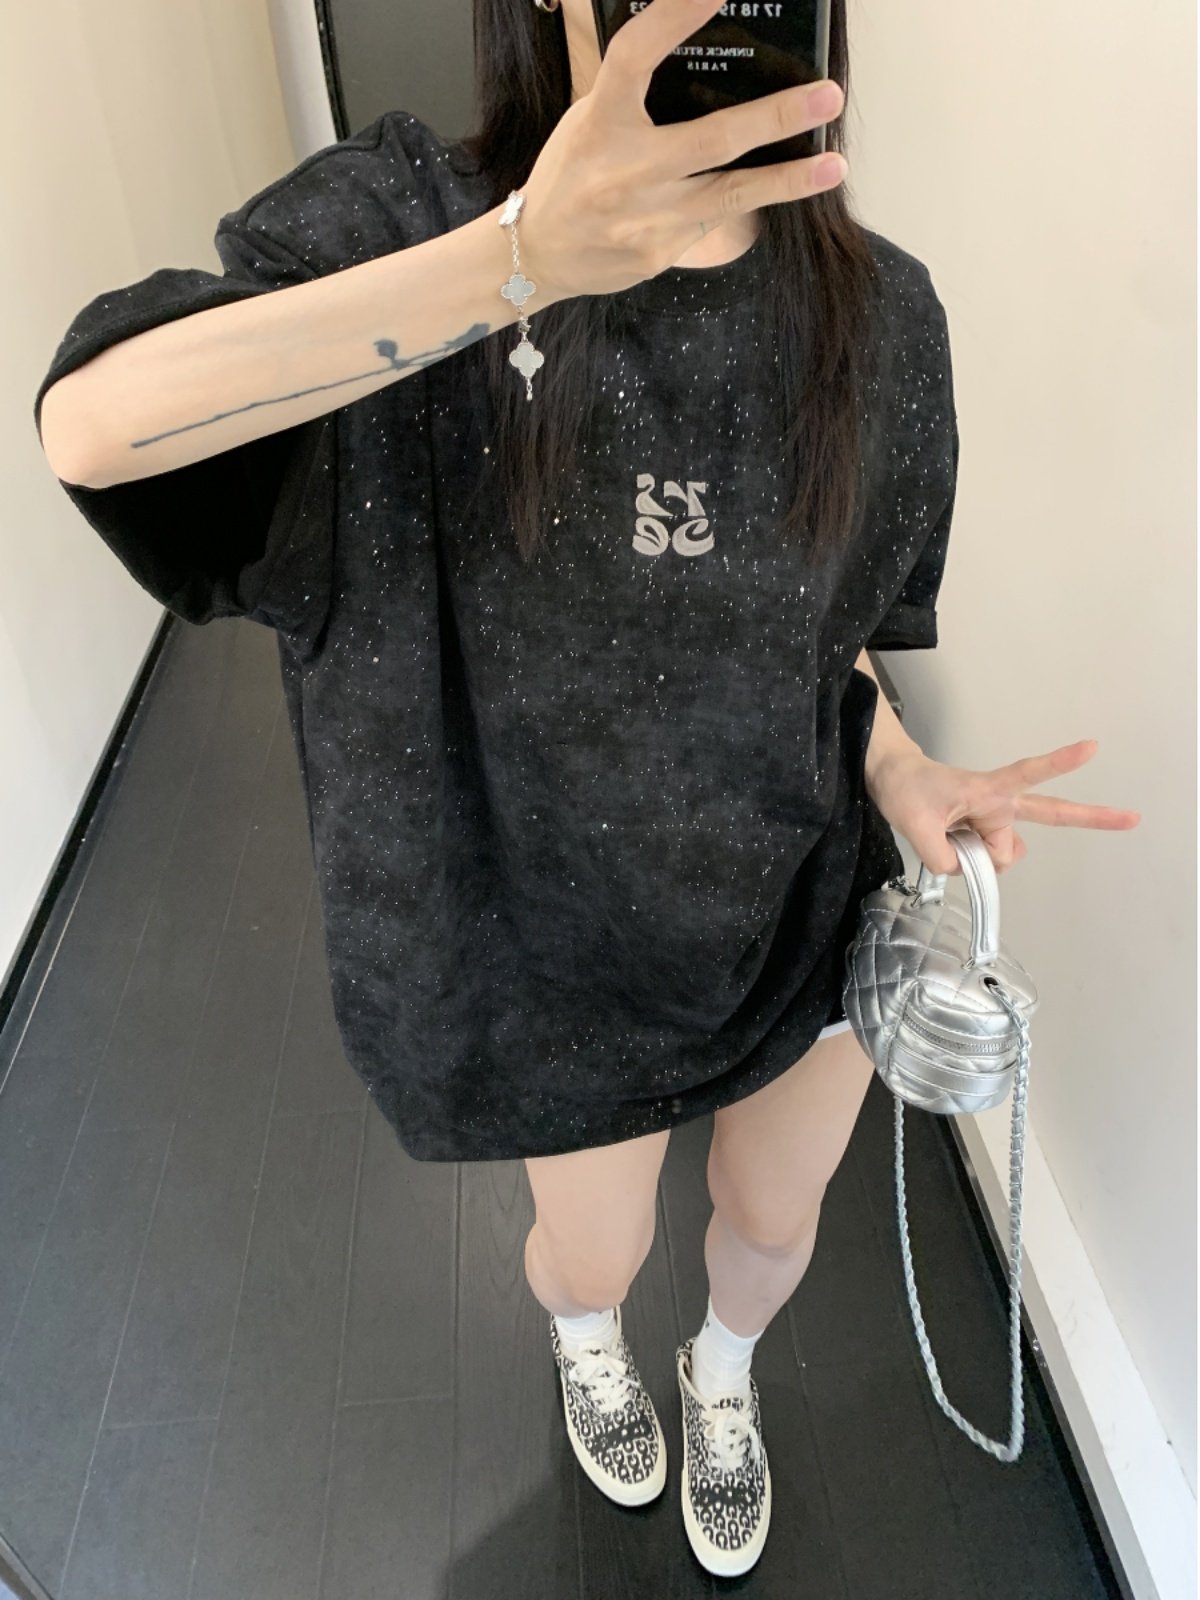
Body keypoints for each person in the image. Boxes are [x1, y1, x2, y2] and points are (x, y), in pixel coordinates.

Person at [33, 0, 1138, 1578]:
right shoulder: (405, 224)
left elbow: (825, 631)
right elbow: (94, 428)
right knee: (593, 1249)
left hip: (799, 893)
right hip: (562, 946)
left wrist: (896, 764)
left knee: (772, 1226)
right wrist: (515, 264)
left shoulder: (883, 314)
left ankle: (723, 1375)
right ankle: (591, 1339)